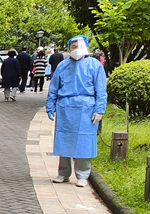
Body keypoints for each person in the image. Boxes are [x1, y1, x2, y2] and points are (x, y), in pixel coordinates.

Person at [46, 35, 107, 188]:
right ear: (69, 48)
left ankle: (82, 175)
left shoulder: (94, 65)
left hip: (86, 108)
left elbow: (101, 90)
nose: (76, 49)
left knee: (83, 142)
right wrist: (50, 106)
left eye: (79, 46)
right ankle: (63, 173)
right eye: (73, 46)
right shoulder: (62, 66)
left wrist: (99, 109)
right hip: (65, 107)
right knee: (64, 140)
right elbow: (54, 88)